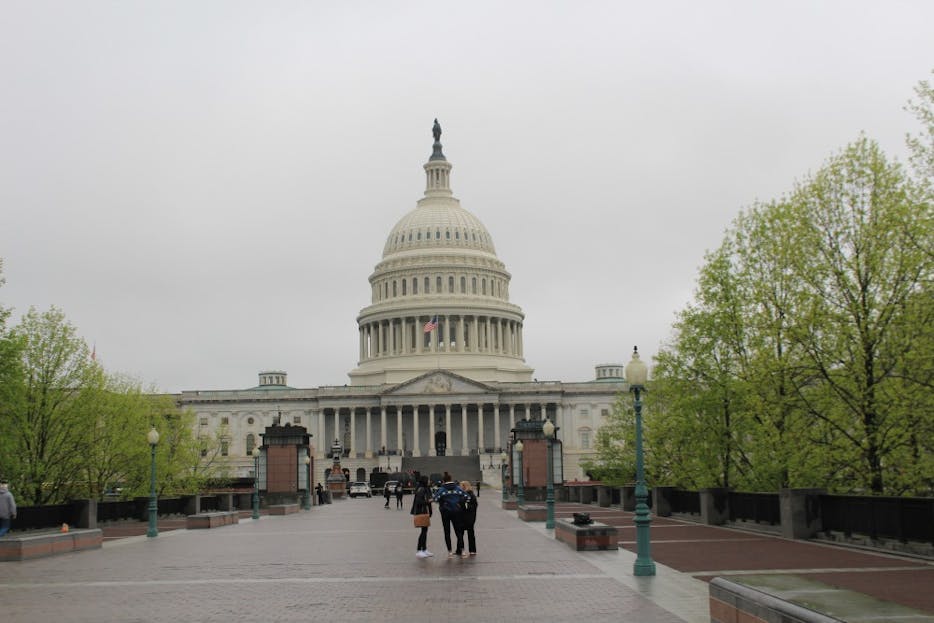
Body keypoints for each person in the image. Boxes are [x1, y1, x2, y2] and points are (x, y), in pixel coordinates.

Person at [432, 476, 468, 557]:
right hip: (456, 511)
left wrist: (442, 504)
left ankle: (450, 552)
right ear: (451, 479)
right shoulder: (457, 488)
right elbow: (467, 497)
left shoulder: (441, 489)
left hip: (445, 512)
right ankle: (462, 550)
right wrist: (459, 503)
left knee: (447, 531)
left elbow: (436, 499)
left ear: (444, 481)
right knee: (458, 531)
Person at [410, 476, 433, 558]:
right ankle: (419, 550)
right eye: (428, 480)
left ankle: (424, 549)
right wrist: (428, 501)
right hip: (421, 512)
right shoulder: (421, 489)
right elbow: (419, 501)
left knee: (425, 531)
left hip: (424, 511)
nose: (430, 481)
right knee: (423, 532)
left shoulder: (425, 488)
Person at [456, 481, 478, 557]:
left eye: (461, 486)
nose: (459, 487)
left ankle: (460, 550)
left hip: (463, 517)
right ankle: (472, 550)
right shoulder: (472, 495)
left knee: (460, 533)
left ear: (464, 486)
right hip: (471, 518)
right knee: (471, 534)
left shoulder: (464, 495)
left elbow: (461, 505)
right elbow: (474, 506)